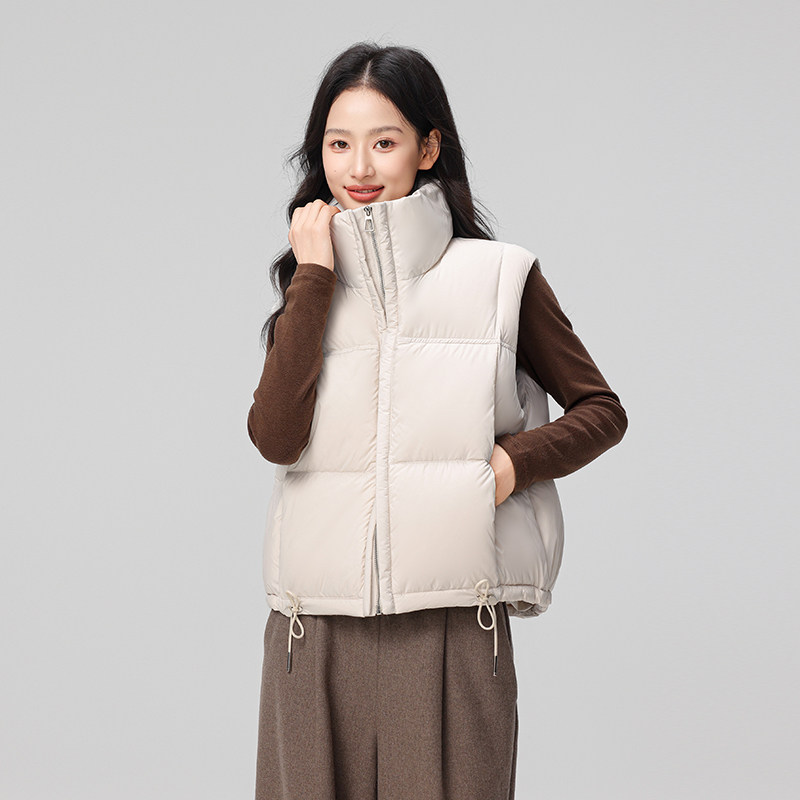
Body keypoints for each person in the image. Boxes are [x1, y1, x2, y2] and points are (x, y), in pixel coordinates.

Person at [247, 42, 628, 800]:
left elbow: (602, 410)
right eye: (338, 144)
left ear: (428, 148)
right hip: (312, 633)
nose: (359, 167)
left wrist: (508, 467)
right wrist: (314, 277)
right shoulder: (310, 286)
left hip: (451, 629)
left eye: (384, 142)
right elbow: (276, 439)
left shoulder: (500, 277)